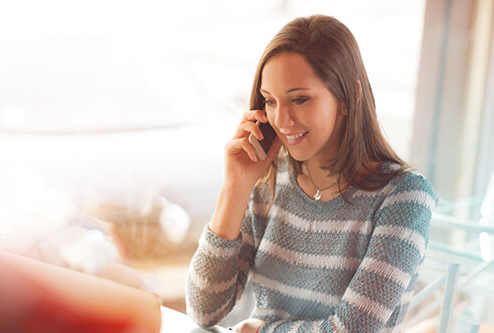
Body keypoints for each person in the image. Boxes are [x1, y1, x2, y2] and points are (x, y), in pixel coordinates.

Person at [185, 15, 437, 333]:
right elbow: (204, 311)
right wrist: (235, 187)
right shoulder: (269, 183)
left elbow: (354, 329)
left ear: (348, 98)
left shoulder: (404, 197)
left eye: (300, 99)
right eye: (270, 101)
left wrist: (262, 331)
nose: (282, 119)